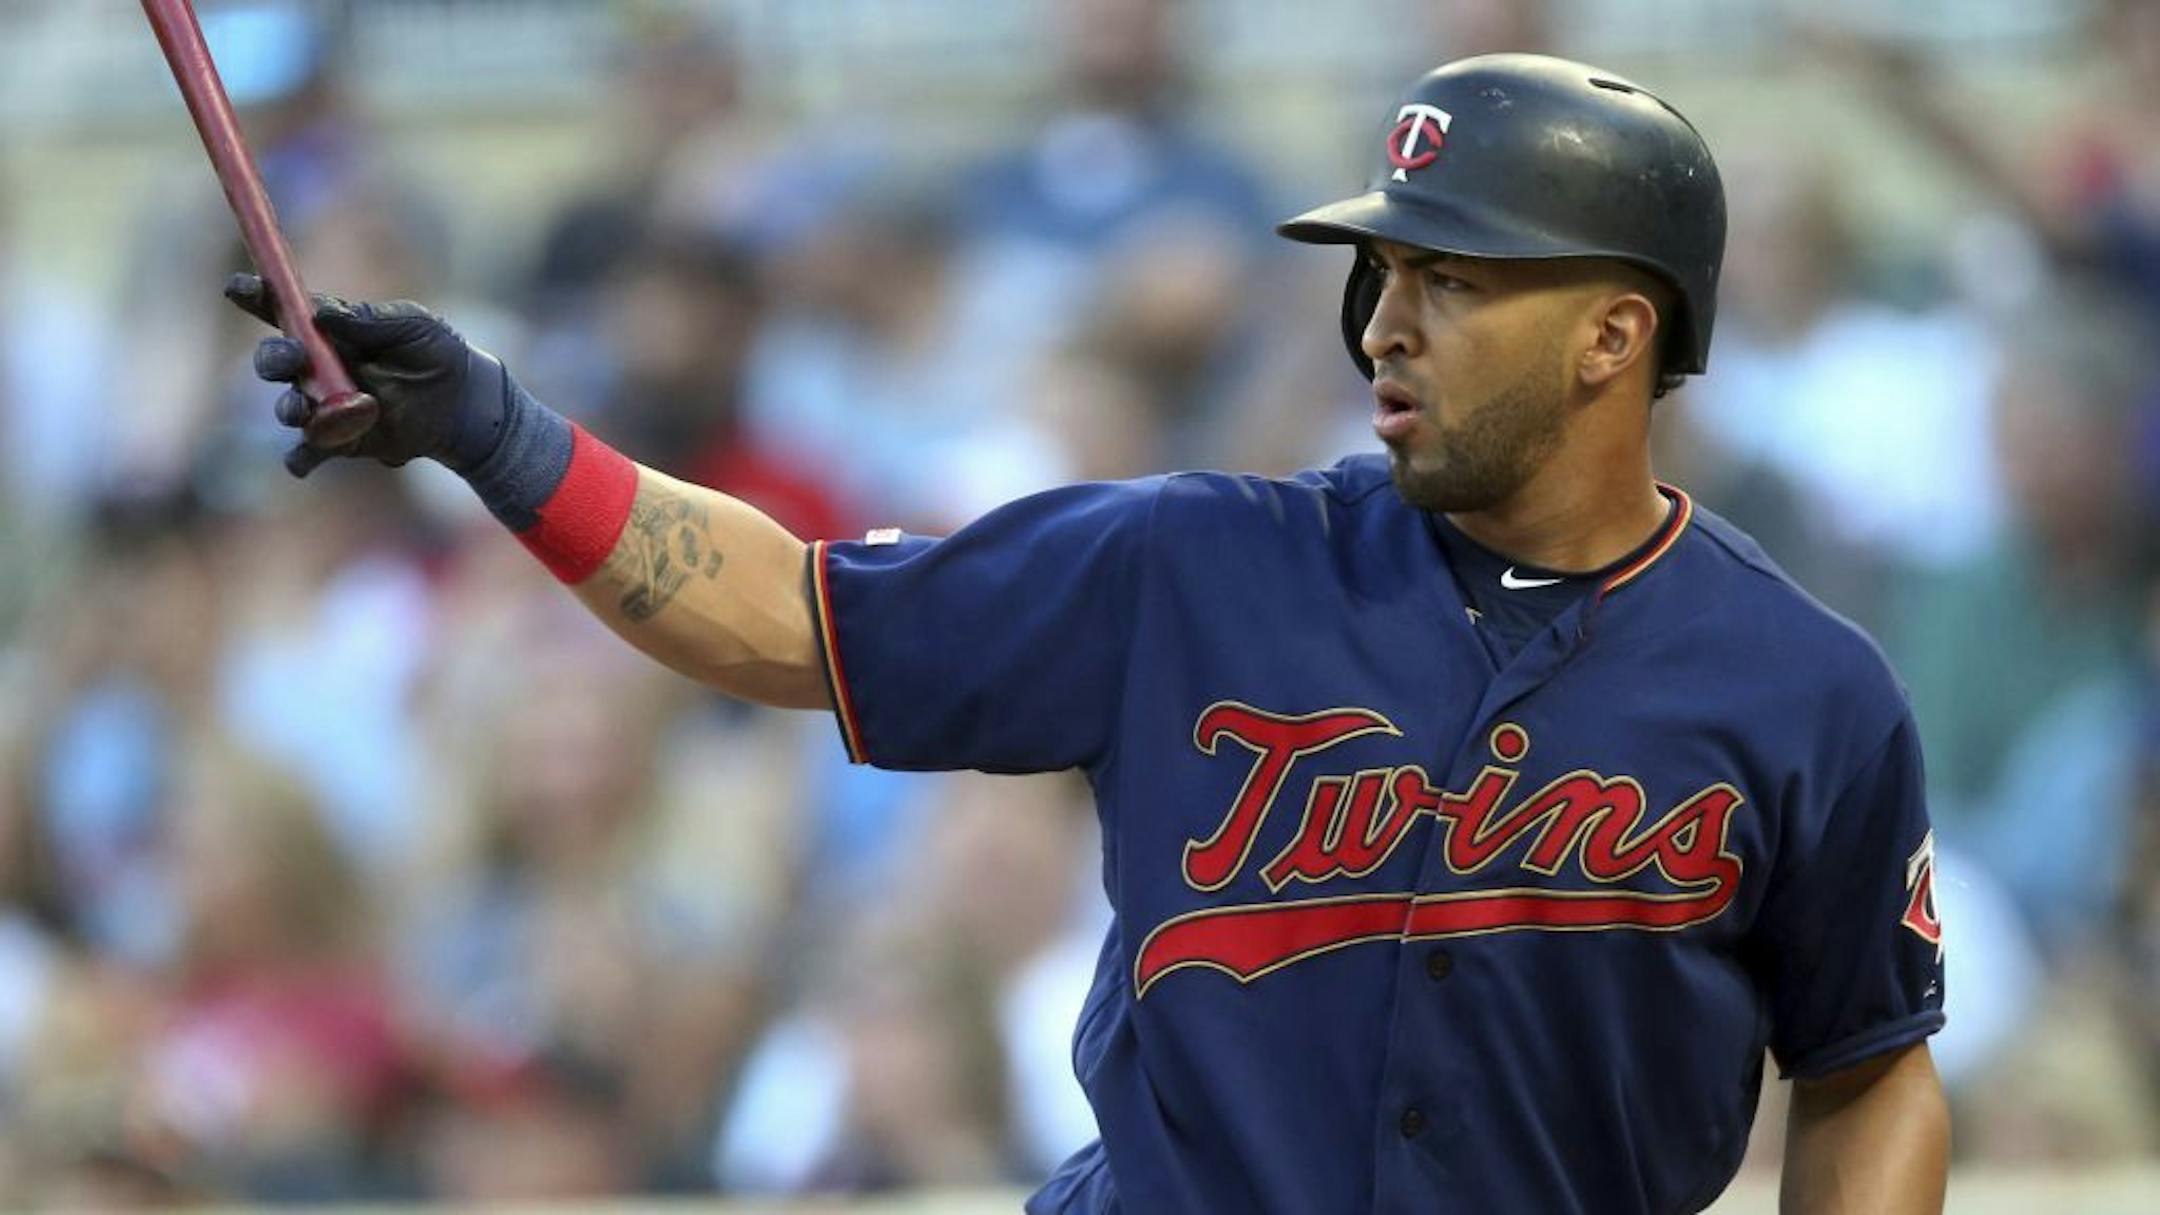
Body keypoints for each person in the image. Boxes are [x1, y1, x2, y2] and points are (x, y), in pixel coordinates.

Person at [226, 53, 1950, 1215]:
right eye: (1384, 272)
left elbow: (1870, 1068)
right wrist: (497, 434)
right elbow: (784, 618)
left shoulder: (1804, 691)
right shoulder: (1196, 561)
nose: (1387, 323)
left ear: (1614, 336)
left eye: (1455, 280)